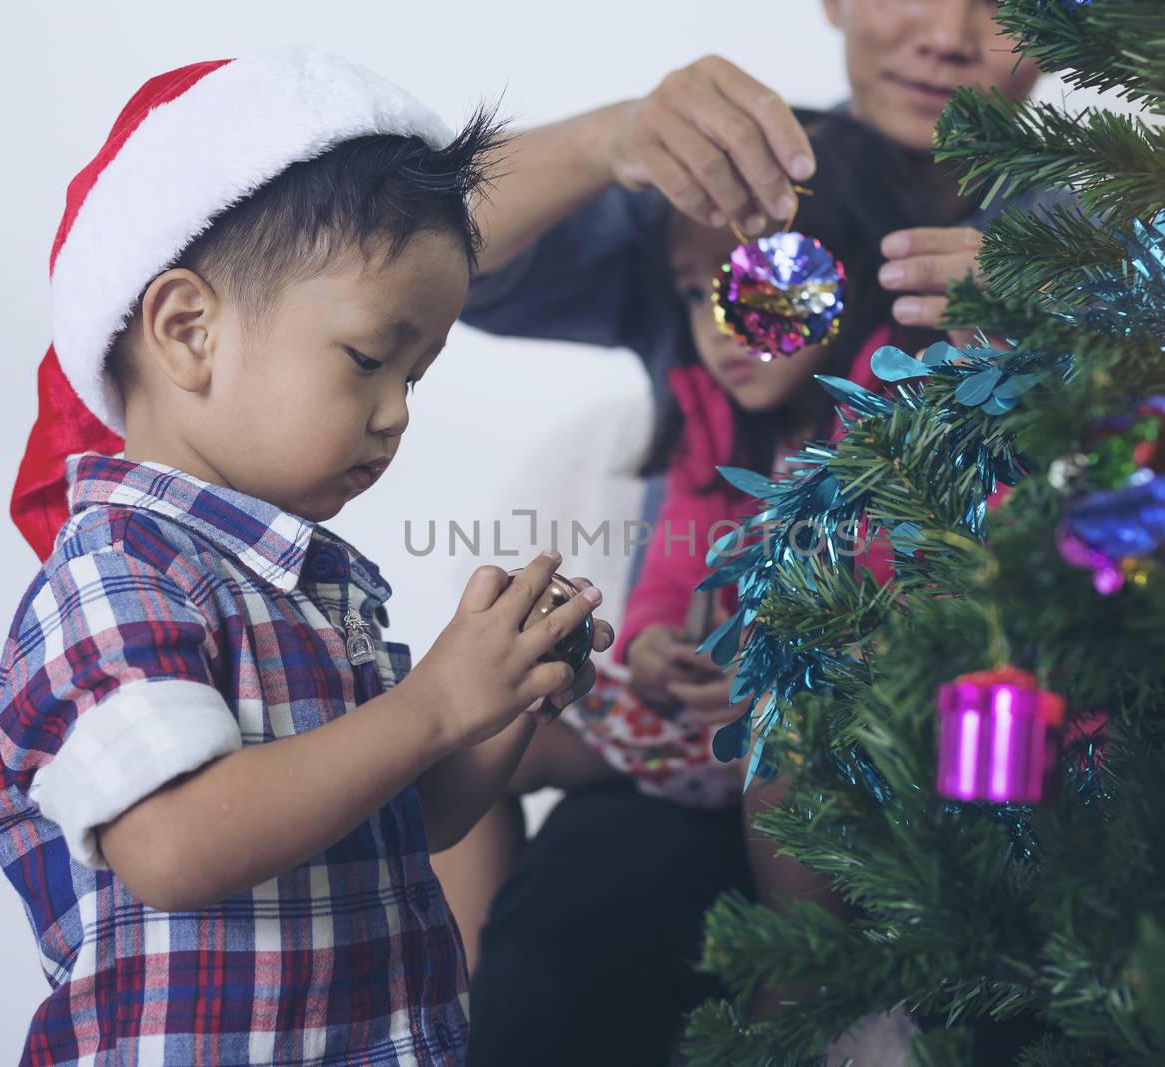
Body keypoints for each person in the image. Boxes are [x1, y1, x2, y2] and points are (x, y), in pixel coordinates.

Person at [0, 48, 613, 1066]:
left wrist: (505, 700)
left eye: (418, 375)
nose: (397, 409)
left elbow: (412, 816)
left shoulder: (313, 588)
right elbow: (176, 844)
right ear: (189, 330)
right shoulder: (116, 571)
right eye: (370, 357)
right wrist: (434, 703)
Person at [444, 3, 1047, 1062]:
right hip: (710, 735)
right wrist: (606, 135)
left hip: (970, 744)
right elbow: (443, 258)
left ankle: (794, 995)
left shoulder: (1060, 263)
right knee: (473, 750)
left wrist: (1093, 308)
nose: (948, 33)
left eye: (774, 290)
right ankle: (438, 1007)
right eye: (697, 294)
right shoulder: (732, 226)